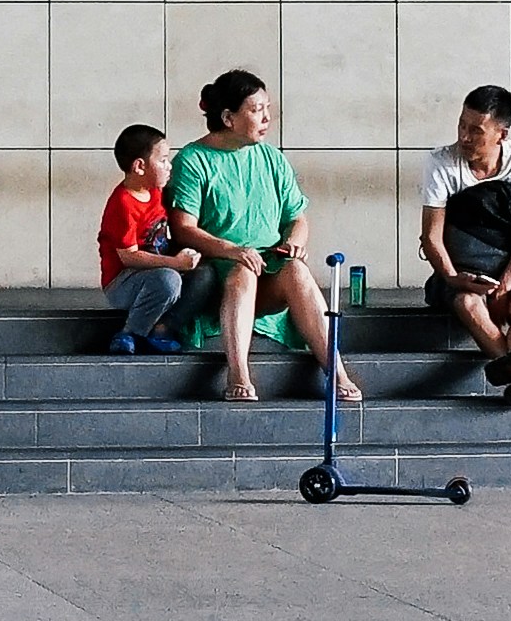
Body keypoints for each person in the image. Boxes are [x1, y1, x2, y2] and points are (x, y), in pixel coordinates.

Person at [162, 70, 356, 410]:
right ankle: (238, 373)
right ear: (228, 118)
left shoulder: (271, 157)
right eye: (255, 110)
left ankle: (336, 371)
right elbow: (183, 229)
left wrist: (295, 240)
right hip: (218, 275)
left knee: (297, 271)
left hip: (268, 269)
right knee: (242, 271)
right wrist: (234, 251)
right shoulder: (193, 160)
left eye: (267, 108)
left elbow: (297, 216)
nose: (266, 118)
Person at [424, 85, 511, 404]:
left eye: (475, 130)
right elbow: (431, 237)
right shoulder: (441, 162)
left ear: (502, 134)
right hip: (461, 272)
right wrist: (453, 277)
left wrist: (506, 284)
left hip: (510, 267)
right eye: (461, 125)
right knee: (468, 304)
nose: (464, 137)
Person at [92, 124, 192, 352]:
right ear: (139, 166)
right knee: (169, 280)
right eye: (163, 160)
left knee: (204, 276)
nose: (169, 166)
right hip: (123, 282)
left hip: (156, 272)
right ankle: (130, 333)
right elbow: (129, 257)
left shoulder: (157, 190)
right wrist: (175, 263)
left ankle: (163, 327)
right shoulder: (123, 204)